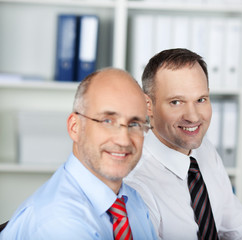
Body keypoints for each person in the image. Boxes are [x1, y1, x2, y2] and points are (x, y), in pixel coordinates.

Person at [125, 49, 242, 240]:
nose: (193, 117)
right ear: (148, 105)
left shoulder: (204, 150)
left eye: (201, 100)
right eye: (176, 102)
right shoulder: (135, 183)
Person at [0, 68, 158, 240]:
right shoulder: (59, 223)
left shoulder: (131, 201)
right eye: (107, 121)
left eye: (134, 124)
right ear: (75, 127)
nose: (124, 140)